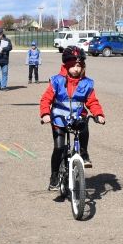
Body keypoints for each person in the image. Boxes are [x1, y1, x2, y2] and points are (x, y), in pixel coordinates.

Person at [39, 45, 106, 188]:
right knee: (59, 148)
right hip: (58, 118)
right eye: (73, 65)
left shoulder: (86, 83)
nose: (76, 69)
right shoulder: (57, 81)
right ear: (66, 66)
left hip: (77, 117)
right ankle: (55, 174)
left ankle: (84, 153)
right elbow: (46, 99)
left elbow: (92, 101)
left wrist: (98, 114)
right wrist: (45, 113)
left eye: (79, 65)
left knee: (84, 125)